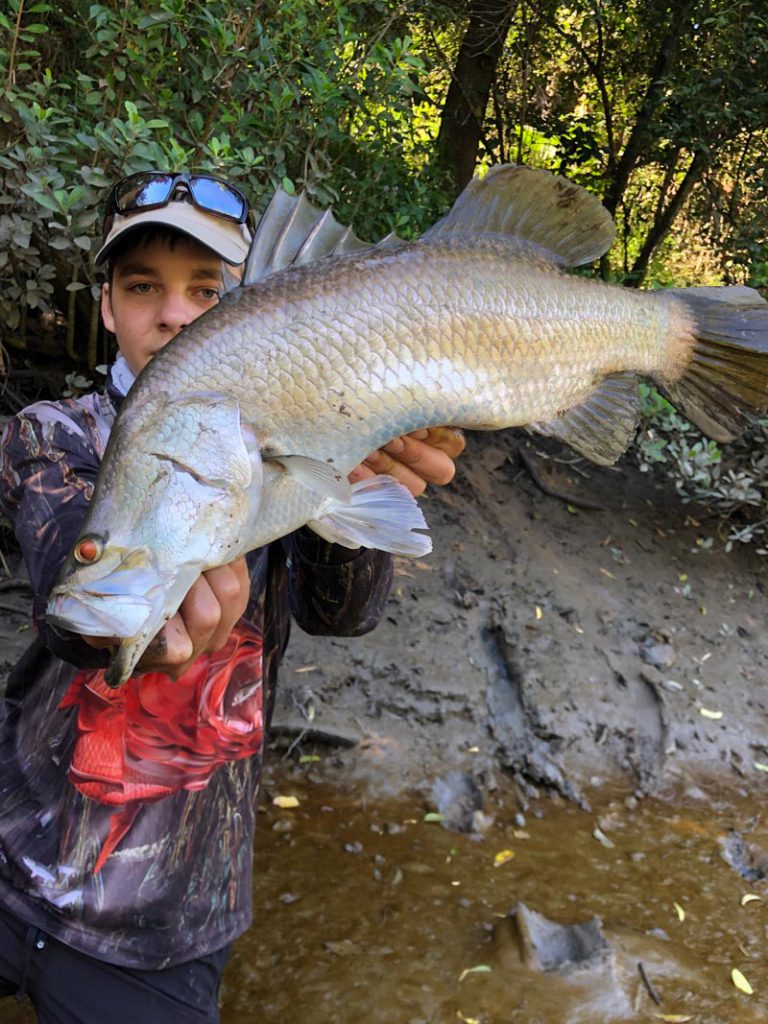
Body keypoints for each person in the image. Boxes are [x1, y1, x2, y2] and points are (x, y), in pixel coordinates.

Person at [0, 171, 465, 1023]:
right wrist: (131, 599)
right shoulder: (52, 432)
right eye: (143, 288)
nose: (173, 314)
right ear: (107, 306)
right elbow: (71, 589)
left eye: (205, 290)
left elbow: (344, 614)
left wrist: (349, 467)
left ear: (248, 310)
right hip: (12, 851)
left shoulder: (292, 439)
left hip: (171, 917)